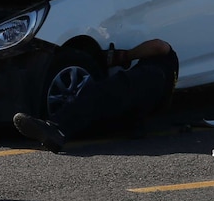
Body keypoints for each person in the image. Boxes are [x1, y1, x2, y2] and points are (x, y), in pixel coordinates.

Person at [13, 39, 178, 153]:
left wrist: (125, 56)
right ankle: (60, 134)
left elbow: (158, 45)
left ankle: (55, 127)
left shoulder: (166, 60)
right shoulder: (170, 80)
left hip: (148, 80)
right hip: (144, 110)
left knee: (99, 93)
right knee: (100, 112)